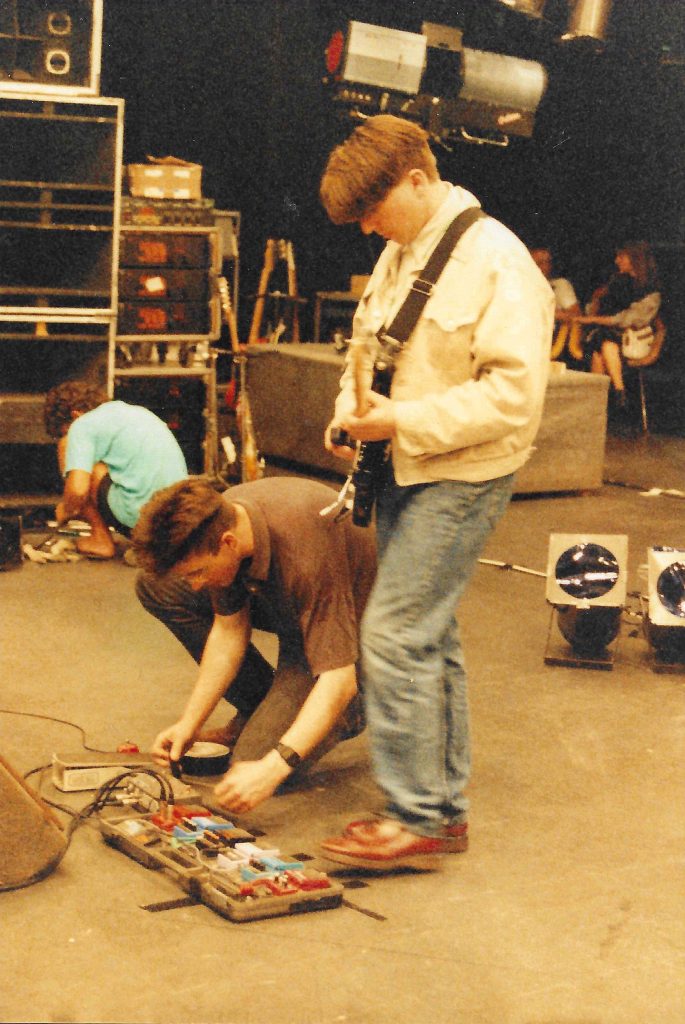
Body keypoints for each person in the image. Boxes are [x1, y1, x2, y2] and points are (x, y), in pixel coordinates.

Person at [318, 114, 554, 871]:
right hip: (404, 466)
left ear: (417, 180)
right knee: (427, 633)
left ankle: (417, 817)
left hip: (464, 473)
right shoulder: (401, 252)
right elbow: (367, 349)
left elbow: (513, 399)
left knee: (394, 633)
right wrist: (350, 413)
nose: (365, 228)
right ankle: (440, 812)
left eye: (370, 209)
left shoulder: (497, 262)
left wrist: (399, 421)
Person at [131, 475, 375, 813]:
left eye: (198, 572)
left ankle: (353, 708)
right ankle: (263, 705)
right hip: (293, 604)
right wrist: (190, 723)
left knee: (254, 761)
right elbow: (229, 629)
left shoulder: (305, 552)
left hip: (356, 627)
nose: (197, 585)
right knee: (158, 586)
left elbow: (339, 678)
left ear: (229, 543)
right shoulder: (224, 518)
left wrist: (274, 766)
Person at [44, 380, 188, 559]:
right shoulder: (135, 412)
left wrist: (67, 509)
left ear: (75, 415)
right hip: (175, 522)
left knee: (71, 454)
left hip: (144, 521)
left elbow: (78, 490)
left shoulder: (82, 424)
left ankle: (101, 540)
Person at [574, 241, 661, 405]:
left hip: (633, 340)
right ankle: (618, 392)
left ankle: (599, 403)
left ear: (635, 259)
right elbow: (595, 310)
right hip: (608, 337)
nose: (616, 261)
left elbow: (626, 319)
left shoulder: (650, 291)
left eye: (621, 256)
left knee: (603, 345)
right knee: (602, 347)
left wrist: (593, 319)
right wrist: (596, 299)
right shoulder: (615, 283)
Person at [530, 246, 581, 320]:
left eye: (548, 262)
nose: (545, 267)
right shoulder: (519, 288)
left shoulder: (559, 285)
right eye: (539, 263)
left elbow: (576, 315)